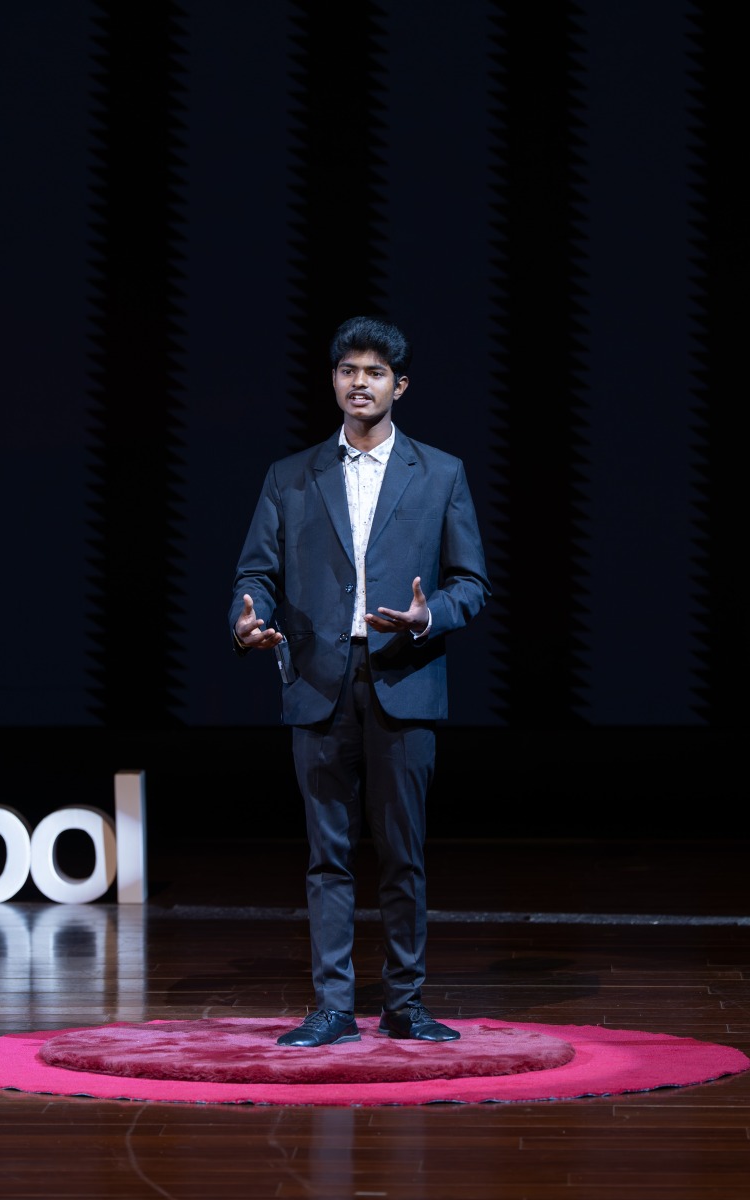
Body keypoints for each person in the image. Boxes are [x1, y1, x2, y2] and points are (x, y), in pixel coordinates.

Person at [229, 315, 491, 1048]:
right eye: (349, 370)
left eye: (375, 372)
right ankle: (333, 1006)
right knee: (327, 856)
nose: (360, 383)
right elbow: (255, 572)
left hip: (404, 678)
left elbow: (472, 583)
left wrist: (428, 616)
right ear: (334, 380)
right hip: (319, 683)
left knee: (403, 853)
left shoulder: (440, 473)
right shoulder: (290, 475)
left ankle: (405, 1002)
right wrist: (246, 622)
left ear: (399, 386)